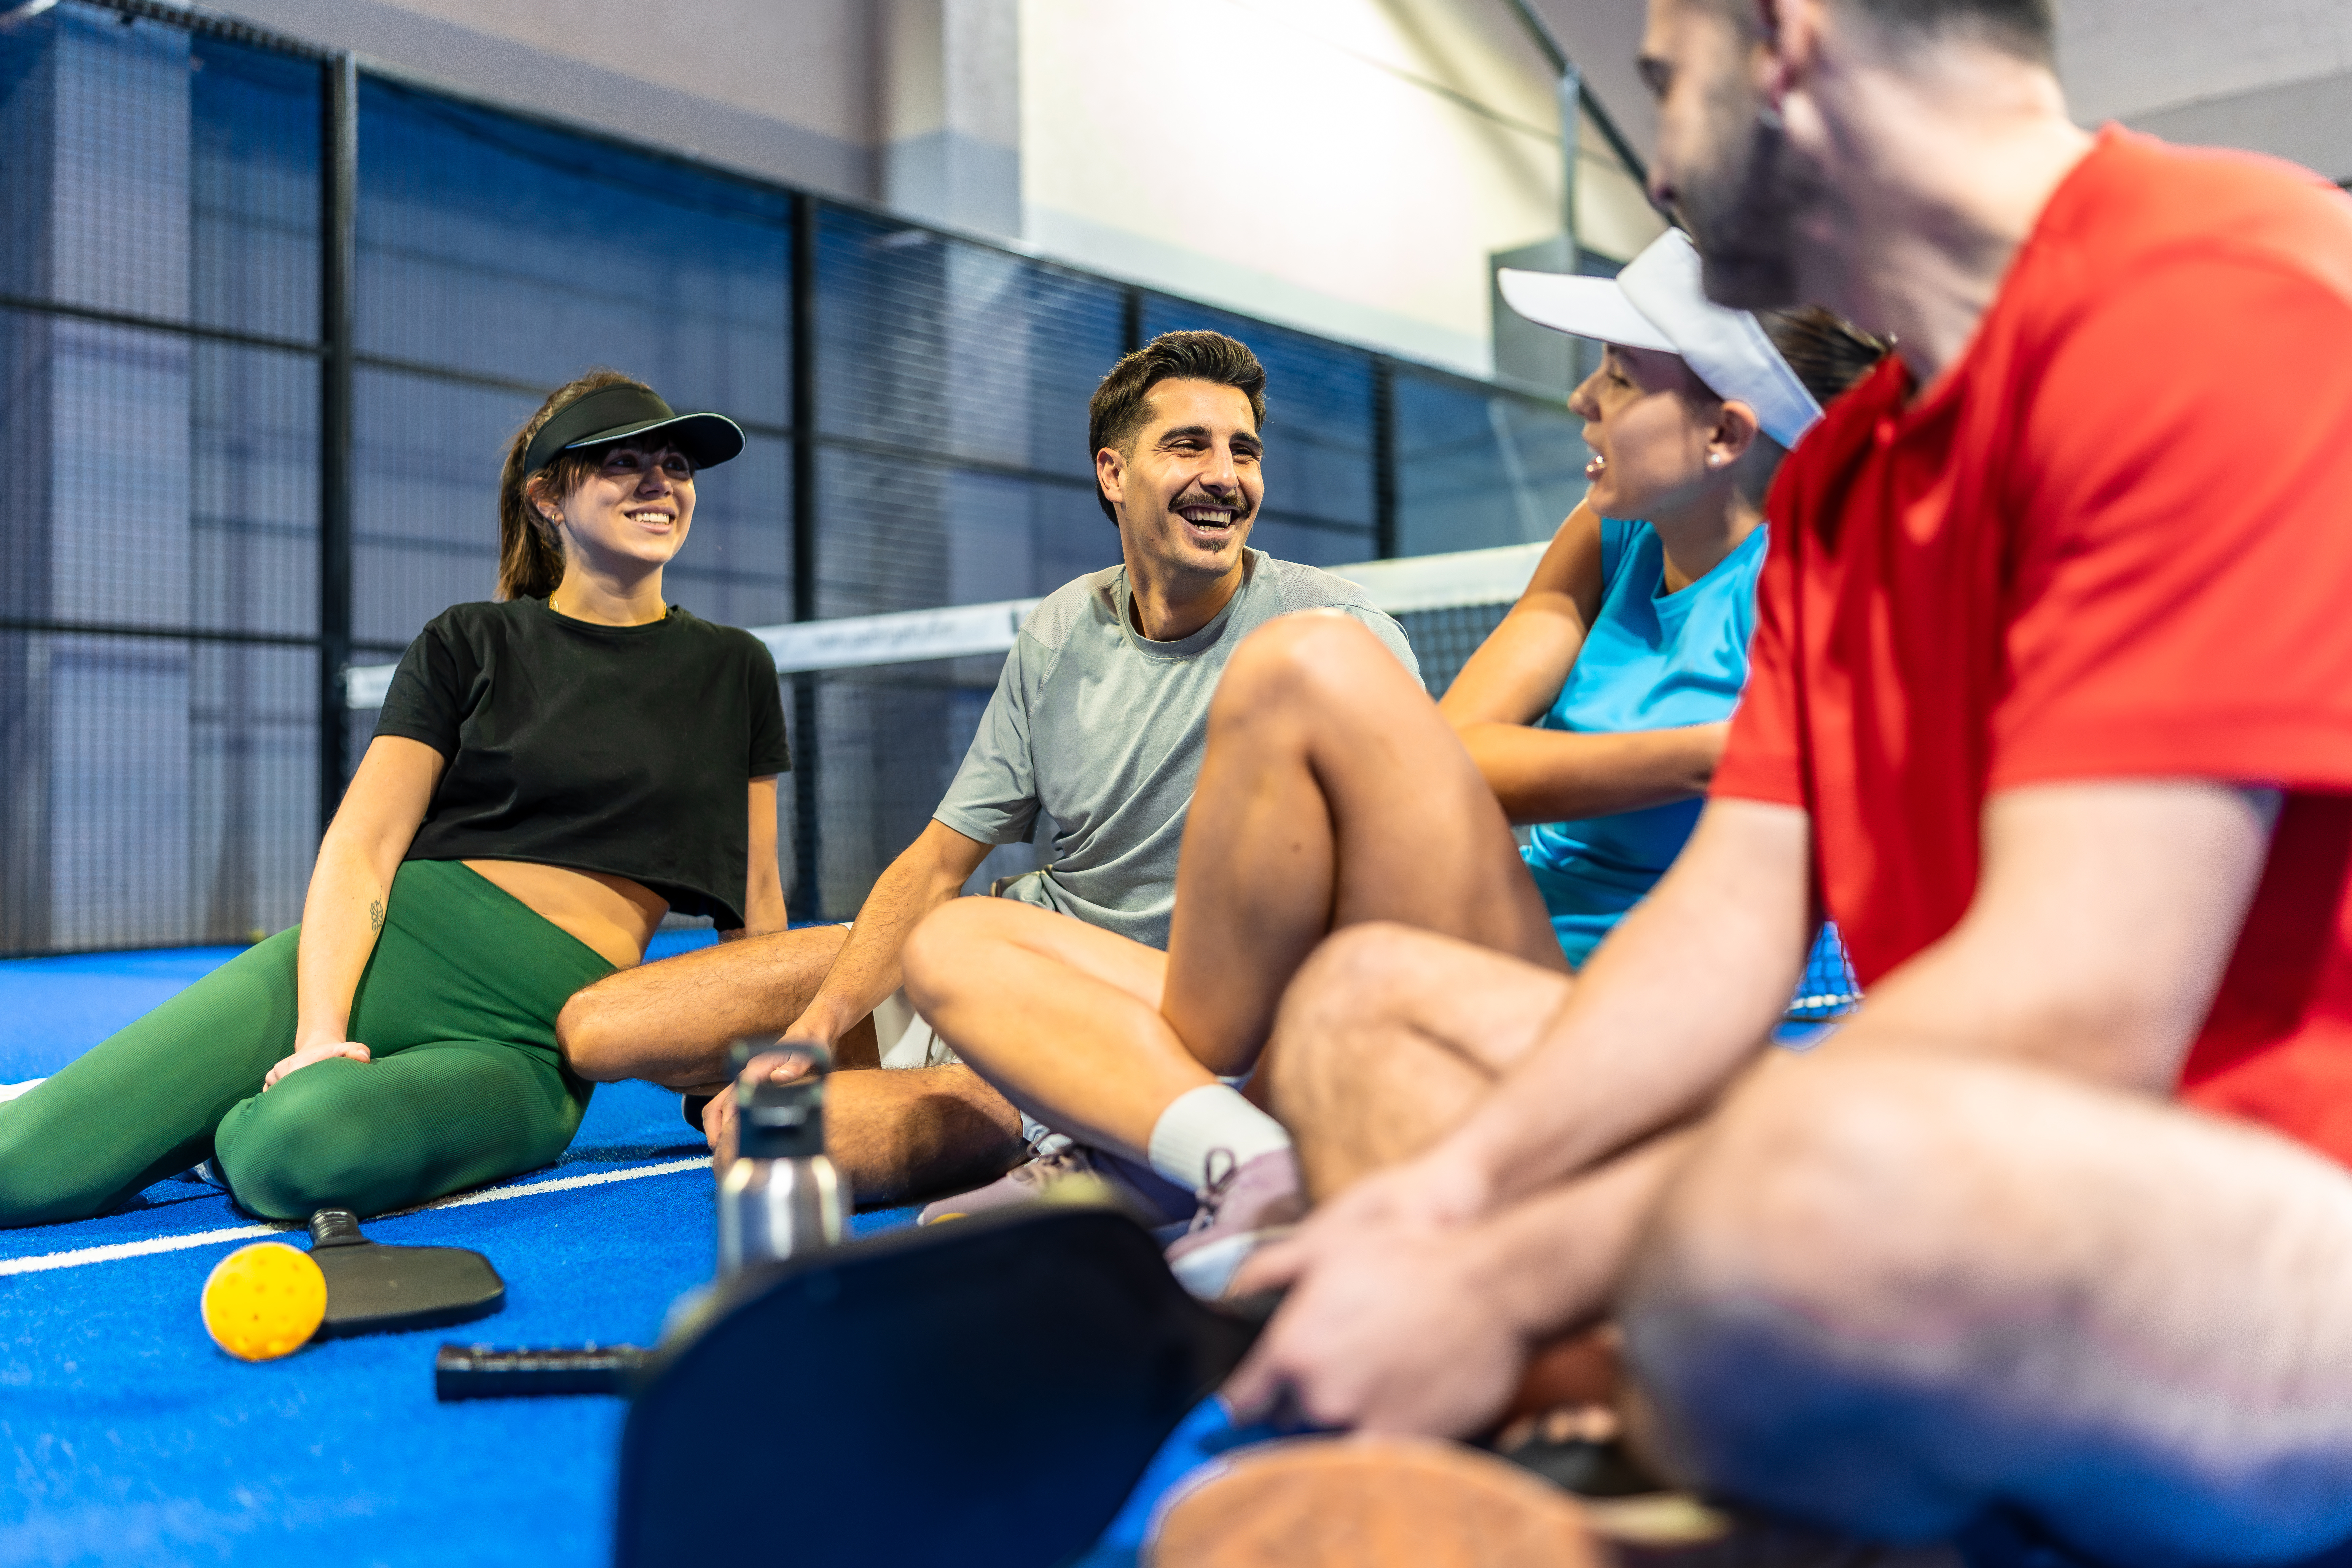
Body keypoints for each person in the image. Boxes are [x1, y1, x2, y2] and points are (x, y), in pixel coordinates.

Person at [1205, 0, 2352, 1562]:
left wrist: (1501, 1267)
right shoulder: (1853, 479)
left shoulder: (2211, 296)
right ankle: (1681, 1426)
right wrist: (1448, 1191)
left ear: (1786, 40)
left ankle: (1658, 1433)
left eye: (1666, 83)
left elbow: (2069, 1018)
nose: (1658, 151)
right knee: (1363, 1009)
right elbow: (1731, 916)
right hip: (1956, 1163)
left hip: (2272, 1218)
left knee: (1816, 1165)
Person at [902, 230, 1882, 1294]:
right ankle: (1233, 1151)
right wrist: (1708, 755)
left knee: (1305, 660)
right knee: (953, 946)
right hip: (1452, 942)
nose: (1581, 402)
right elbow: (1459, 752)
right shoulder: (1613, 535)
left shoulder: (1820, 595)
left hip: (1578, 1011)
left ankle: (1170, 1146)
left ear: (1725, 433)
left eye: (1619, 378)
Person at [559, 329, 1418, 1211]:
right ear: (1113, 475)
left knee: (761, 1138)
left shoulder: (1333, 637)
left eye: (1244, 450)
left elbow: (1411, 879)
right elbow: (939, 863)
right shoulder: (1061, 628)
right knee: (598, 1028)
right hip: (991, 960)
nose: (1227, 475)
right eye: (1188, 445)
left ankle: (1061, 1119)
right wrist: (816, 1027)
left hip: (1126, 1029)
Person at [0, 371, 786, 1226]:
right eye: (621, 462)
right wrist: (318, 1033)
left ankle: (216, 1134)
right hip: (388, 954)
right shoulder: (469, 641)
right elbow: (363, 846)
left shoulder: (734, 668)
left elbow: (756, 908)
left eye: (674, 464)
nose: (657, 482)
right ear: (547, 499)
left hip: (530, 1045)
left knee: (292, 1154)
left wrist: (751, 1067)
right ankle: (186, 1113)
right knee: (25, 1167)